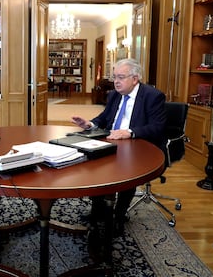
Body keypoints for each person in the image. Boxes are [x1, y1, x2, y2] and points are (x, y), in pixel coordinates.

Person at [71, 58, 166, 256]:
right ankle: (97, 211)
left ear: (135, 78)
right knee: (94, 166)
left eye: (121, 77)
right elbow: (105, 118)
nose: (116, 81)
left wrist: (129, 132)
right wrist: (90, 124)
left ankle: (119, 216)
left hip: (138, 143)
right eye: (115, 77)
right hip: (112, 140)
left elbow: (157, 128)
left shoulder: (153, 96)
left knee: (126, 172)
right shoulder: (114, 95)